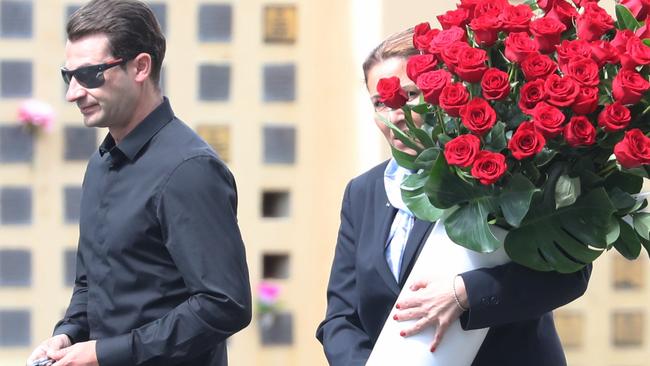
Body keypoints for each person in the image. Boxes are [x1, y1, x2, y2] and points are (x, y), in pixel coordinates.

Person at [316, 28, 591, 366]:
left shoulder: (499, 170)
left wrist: (465, 294)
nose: (395, 113)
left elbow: (568, 274)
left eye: (409, 94)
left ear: (440, 93)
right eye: (380, 102)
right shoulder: (363, 193)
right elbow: (341, 319)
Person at [26, 1, 251, 365]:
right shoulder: (100, 164)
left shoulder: (189, 169)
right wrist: (66, 335)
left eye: (91, 75)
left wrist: (106, 352)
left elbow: (225, 305)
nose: (73, 93)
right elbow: (90, 285)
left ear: (141, 67)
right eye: (69, 76)